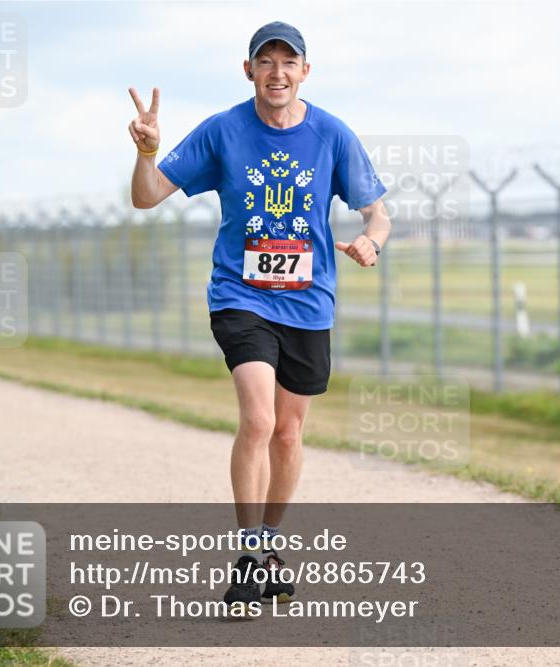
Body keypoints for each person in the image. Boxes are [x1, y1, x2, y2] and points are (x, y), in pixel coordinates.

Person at [128, 21, 391, 609]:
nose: (277, 72)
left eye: (288, 62)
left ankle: (271, 542)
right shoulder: (224, 130)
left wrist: (373, 239)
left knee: (290, 432)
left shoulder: (331, 134)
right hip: (240, 296)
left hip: (308, 301)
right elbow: (146, 196)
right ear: (248, 70)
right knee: (258, 419)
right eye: (265, 61)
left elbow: (378, 212)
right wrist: (147, 151)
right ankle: (248, 553)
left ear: (305, 71)